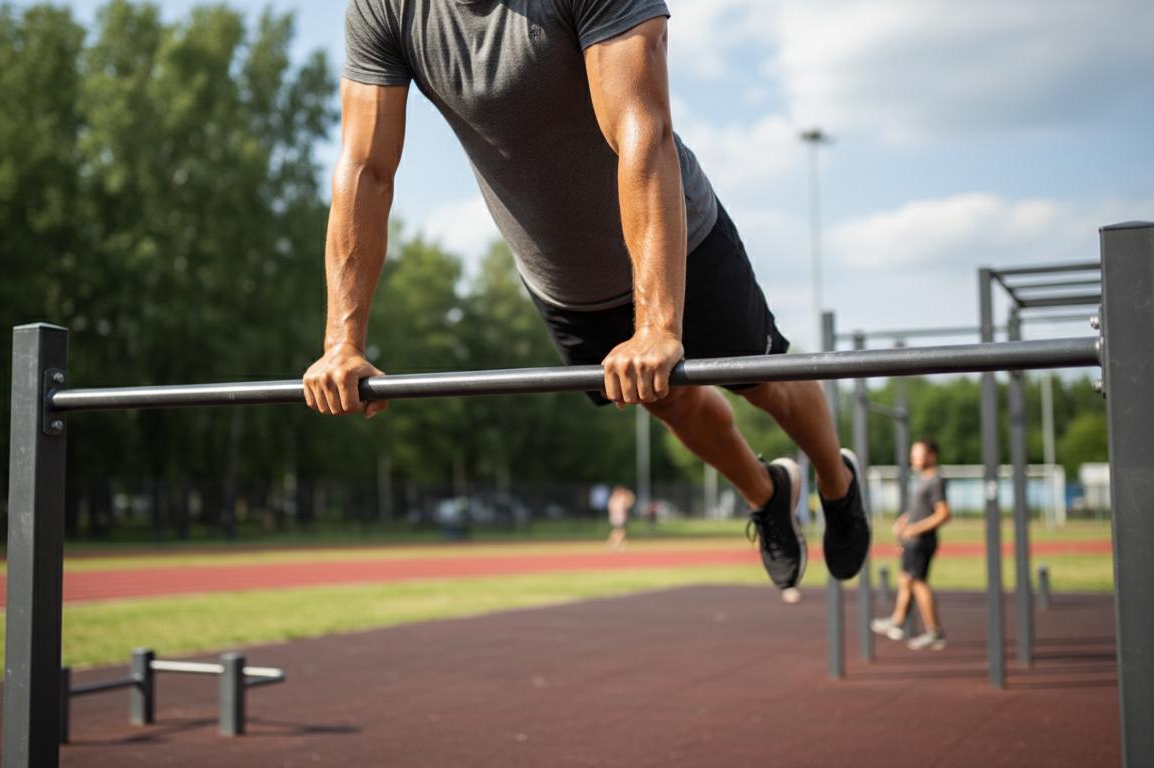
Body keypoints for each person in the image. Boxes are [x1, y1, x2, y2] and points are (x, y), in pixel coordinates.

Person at [302, 0, 870, 594]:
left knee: (763, 382)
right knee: (668, 400)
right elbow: (366, 167)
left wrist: (656, 325)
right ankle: (768, 494)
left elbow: (640, 132)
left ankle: (837, 482)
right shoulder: (384, 8)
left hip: (681, 246)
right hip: (563, 282)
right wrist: (342, 343)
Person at [872, 439, 951, 650]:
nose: (913, 457)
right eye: (913, 453)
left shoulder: (935, 480)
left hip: (921, 541)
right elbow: (920, 510)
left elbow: (943, 514)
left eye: (918, 453)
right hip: (912, 540)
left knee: (917, 582)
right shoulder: (923, 479)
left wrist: (915, 529)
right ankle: (897, 621)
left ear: (932, 455)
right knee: (905, 579)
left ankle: (934, 632)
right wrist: (905, 521)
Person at [606, 485, 635, 550]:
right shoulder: (616, 499)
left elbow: (628, 504)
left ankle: (617, 543)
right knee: (620, 530)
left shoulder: (615, 498)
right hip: (617, 515)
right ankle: (615, 543)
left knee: (618, 530)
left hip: (618, 515)